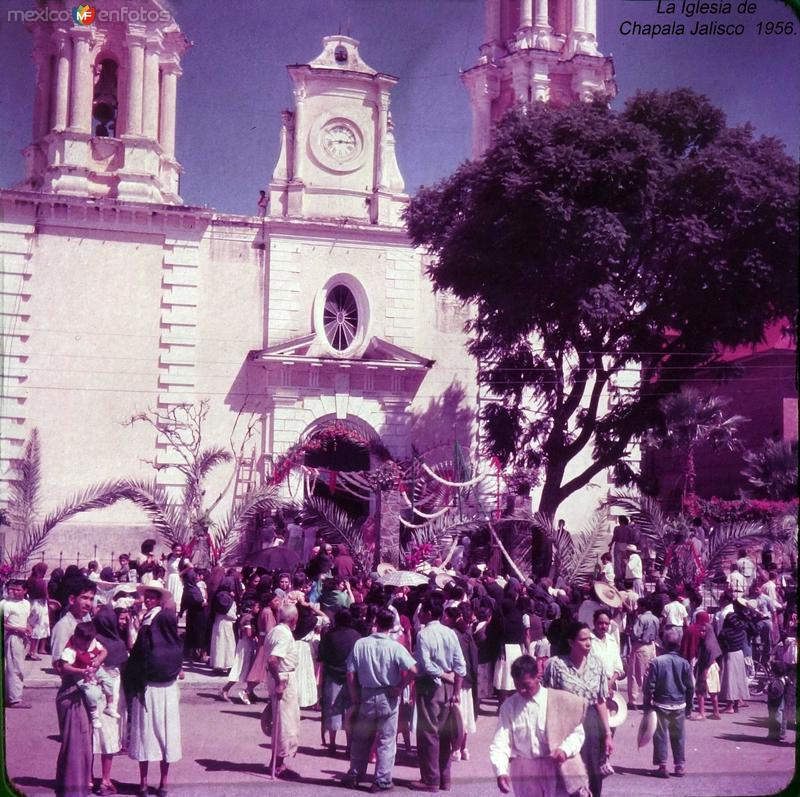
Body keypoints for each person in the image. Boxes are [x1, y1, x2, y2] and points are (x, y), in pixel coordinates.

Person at [489, 654, 590, 797]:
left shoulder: (559, 701)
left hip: (555, 768)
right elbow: (500, 742)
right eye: (517, 685)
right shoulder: (509, 706)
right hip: (524, 771)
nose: (521, 690)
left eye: (526, 685)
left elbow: (577, 733)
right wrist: (501, 771)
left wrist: (564, 750)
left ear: (538, 677)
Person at [344, 607, 418, 791]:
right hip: (388, 695)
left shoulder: (361, 644)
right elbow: (414, 670)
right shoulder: (395, 647)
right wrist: (400, 686)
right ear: (392, 625)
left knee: (361, 738)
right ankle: (382, 779)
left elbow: (350, 673)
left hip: (367, 694)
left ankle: (355, 774)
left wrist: (354, 697)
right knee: (386, 740)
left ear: (376, 623)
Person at [125, 586, 184, 797]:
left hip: (148, 686)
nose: (149, 600)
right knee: (165, 734)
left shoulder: (150, 623)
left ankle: (143, 783)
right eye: (147, 597)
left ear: (158, 601)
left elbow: (138, 655)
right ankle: (163, 783)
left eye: (152, 598)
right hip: (167, 686)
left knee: (145, 734)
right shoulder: (166, 625)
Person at [543, 622, 613, 797]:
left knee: (592, 773)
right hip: (564, 724)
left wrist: (607, 734)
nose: (588, 643)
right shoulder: (556, 665)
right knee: (567, 772)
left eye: (590, 639)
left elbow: (600, 700)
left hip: (591, 723)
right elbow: (547, 700)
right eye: (583, 639)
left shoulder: (597, 665)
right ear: (571, 642)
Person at [411, 595, 467, 792]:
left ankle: (430, 780)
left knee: (428, 734)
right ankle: (445, 779)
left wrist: (442, 674)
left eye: (421, 611)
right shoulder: (450, 633)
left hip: (430, 686)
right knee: (445, 734)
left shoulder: (423, 634)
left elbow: (425, 665)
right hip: (450, 687)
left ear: (427, 613)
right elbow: (461, 665)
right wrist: (456, 688)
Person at [53, 579, 97, 797]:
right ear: (72, 599)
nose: (88, 603)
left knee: (83, 748)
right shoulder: (65, 626)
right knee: (74, 749)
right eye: (84, 598)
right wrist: (84, 670)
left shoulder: (85, 621)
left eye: (91, 598)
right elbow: (60, 665)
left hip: (85, 692)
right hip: (72, 694)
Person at [644, 627, 694, 779]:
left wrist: (647, 706)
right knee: (678, 735)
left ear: (664, 644)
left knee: (660, 735)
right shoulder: (685, 663)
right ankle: (679, 766)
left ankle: (662, 766)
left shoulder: (657, 662)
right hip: (679, 704)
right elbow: (690, 687)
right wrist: (690, 706)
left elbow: (649, 686)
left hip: (661, 704)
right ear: (679, 644)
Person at [92, 604, 129, 796]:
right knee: (109, 739)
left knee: (92, 738)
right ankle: (105, 779)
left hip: (93, 692)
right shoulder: (118, 644)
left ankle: (88, 778)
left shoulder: (93, 641)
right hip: (112, 696)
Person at [57, 621, 118, 728]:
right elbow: (65, 667)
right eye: (84, 642)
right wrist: (81, 671)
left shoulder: (92, 641)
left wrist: (99, 659)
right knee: (92, 693)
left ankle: (110, 706)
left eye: (88, 642)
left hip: (95, 668)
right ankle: (94, 715)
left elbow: (104, 651)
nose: (86, 645)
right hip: (81, 673)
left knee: (109, 682)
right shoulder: (71, 649)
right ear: (76, 638)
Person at [266, 603, 301, 778]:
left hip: (280, 677)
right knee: (285, 725)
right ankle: (278, 764)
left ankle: (277, 761)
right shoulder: (284, 635)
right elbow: (272, 660)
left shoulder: (275, 631)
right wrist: (280, 682)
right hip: (283, 679)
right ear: (293, 619)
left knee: (282, 722)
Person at [319, 608, 361, 753]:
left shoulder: (329, 635)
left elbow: (322, 657)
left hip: (332, 676)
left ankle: (332, 744)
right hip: (351, 677)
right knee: (350, 710)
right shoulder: (356, 636)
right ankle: (349, 746)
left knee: (332, 709)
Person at [2, 578, 32, 708]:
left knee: (18, 667)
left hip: (22, 638)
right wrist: (17, 629)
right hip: (12, 637)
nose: (13, 592)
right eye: (11, 589)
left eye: (17, 589)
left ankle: (11, 694)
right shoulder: (5, 604)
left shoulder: (26, 603)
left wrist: (28, 627)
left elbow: (26, 619)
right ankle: (15, 699)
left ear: (25, 591)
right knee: (15, 668)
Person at [221, 599, 258, 704]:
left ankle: (250, 691)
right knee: (240, 667)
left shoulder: (246, 617)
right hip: (245, 646)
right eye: (257, 607)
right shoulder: (248, 619)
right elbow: (249, 634)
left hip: (246, 645)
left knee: (248, 668)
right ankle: (225, 689)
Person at [719, 600, 751, 713]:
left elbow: (721, 639)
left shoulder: (728, 630)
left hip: (730, 654)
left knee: (730, 680)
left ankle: (730, 706)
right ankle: (736, 704)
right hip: (739, 653)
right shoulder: (743, 627)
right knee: (738, 679)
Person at [628, 598, 658, 710]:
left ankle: (633, 701)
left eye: (639, 606)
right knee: (648, 674)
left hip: (640, 646)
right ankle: (648, 699)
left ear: (643, 607)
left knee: (635, 674)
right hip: (651, 646)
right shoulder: (655, 618)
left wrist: (631, 630)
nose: (637, 608)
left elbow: (636, 634)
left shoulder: (641, 618)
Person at [691, 612, 722, 721]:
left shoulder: (707, 644)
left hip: (707, 668)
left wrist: (704, 671)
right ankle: (716, 712)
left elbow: (709, 658)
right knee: (713, 692)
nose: (701, 632)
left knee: (700, 690)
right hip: (713, 667)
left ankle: (701, 713)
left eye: (704, 631)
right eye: (701, 630)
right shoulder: (711, 640)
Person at [209, 577, 237, 673]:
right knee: (228, 645)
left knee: (218, 645)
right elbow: (230, 614)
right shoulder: (229, 598)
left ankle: (218, 666)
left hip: (217, 623)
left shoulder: (217, 596)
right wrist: (237, 617)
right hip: (227, 624)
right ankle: (228, 665)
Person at [26, 562, 50, 659]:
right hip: (40, 606)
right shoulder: (41, 582)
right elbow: (45, 595)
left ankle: (31, 651)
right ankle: (32, 652)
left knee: (31, 626)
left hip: (31, 603)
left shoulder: (30, 580)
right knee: (37, 629)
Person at [766, 661, 789, 742]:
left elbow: (774, 694)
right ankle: (782, 733)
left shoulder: (776, 682)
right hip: (782, 702)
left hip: (775, 703)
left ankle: (774, 734)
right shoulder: (785, 679)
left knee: (775, 717)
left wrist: (767, 690)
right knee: (782, 717)